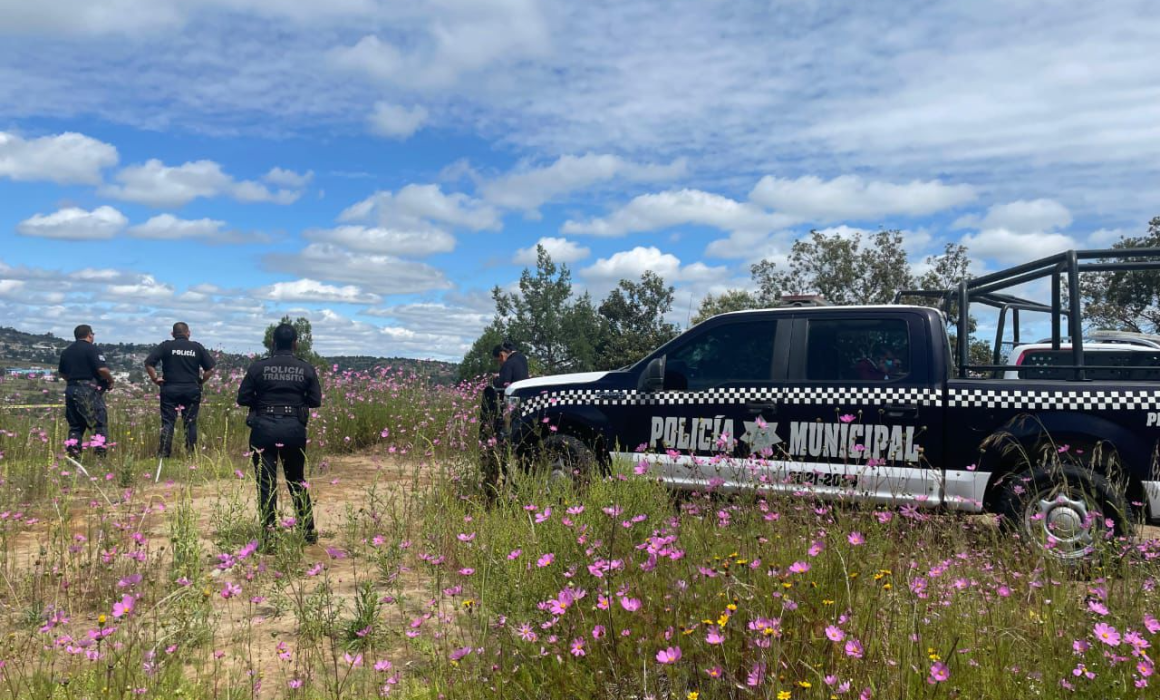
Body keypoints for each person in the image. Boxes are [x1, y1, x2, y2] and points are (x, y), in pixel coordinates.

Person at [237, 323, 322, 546]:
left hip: (263, 427)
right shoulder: (305, 368)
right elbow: (315, 401)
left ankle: (269, 536)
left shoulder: (258, 367)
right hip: (294, 428)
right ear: (295, 343)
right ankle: (308, 532)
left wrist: (262, 402)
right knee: (296, 481)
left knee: (266, 483)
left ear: (273, 343)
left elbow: (243, 398)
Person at [145, 322, 216, 458]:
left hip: (170, 388)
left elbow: (149, 363)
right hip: (191, 388)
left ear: (172, 334)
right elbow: (210, 369)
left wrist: (155, 378)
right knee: (190, 422)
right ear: (188, 333)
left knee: (168, 422)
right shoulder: (196, 347)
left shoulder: (166, 346)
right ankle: (190, 454)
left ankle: (164, 454)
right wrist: (201, 381)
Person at [57, 324, 115, 458]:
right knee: (98, 425)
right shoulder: (92, 349)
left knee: (76, 425)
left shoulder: (66, 351)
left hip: (71, 389)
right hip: (89, 390)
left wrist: (74, 382)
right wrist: (111, 381)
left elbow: (62, 373)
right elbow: (102, 369)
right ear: (89, 335)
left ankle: (73, 456)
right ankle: (100, 456)